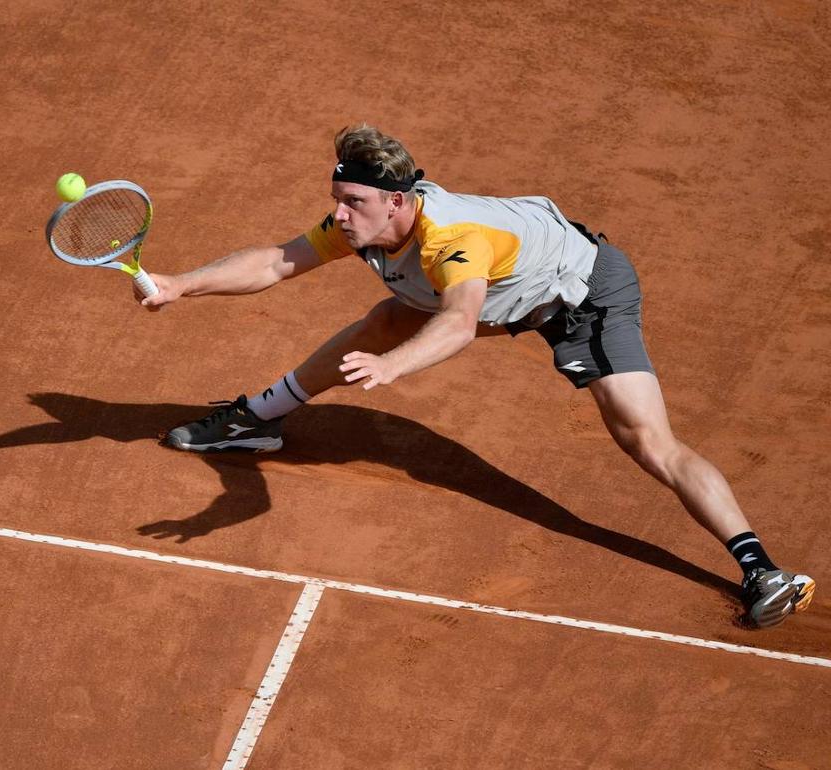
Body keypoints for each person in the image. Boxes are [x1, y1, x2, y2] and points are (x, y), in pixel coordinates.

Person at [136, 123, 814, 629]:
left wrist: (391, 367)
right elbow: (275, 263)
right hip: (509, 288)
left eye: (353, 201)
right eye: (336, 198)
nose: (339, 214)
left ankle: (761, 568)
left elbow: (461, 322)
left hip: (582, 296)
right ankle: (258, 420)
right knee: (386, 317)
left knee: (647, 441)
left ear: (397, 205)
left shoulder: (450, 241)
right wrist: (178, 285)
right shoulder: (365, 224)